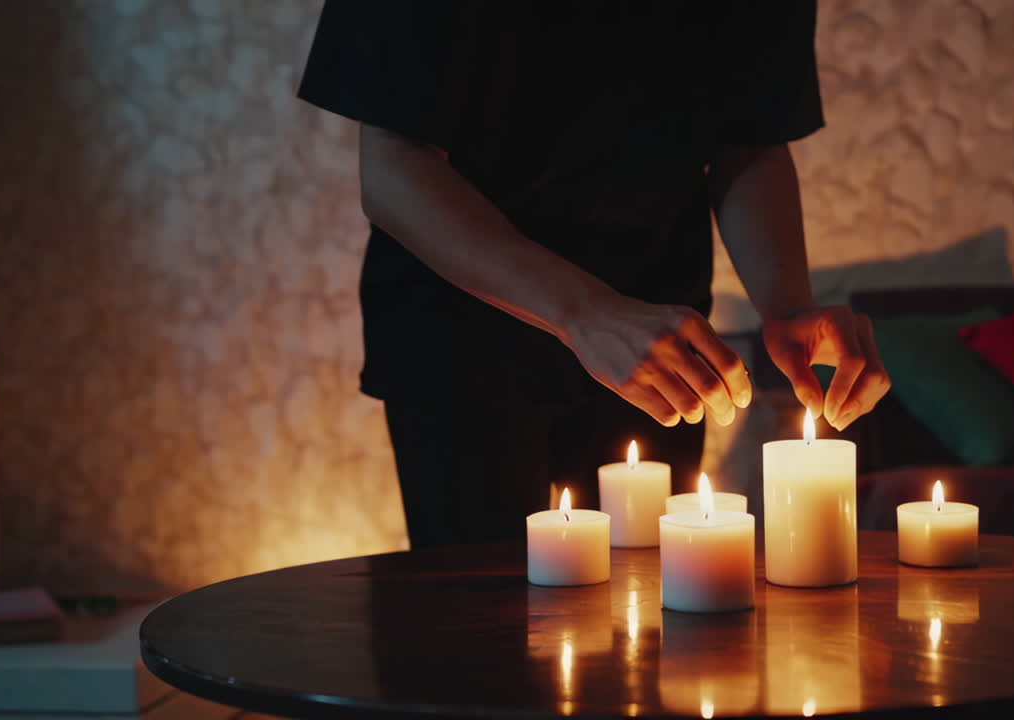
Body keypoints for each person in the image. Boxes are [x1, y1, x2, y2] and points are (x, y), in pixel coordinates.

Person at [298, 1, 890, 549]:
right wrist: (584, 312)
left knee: (650, 620)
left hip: (660, 341)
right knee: (479, 635)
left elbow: (750, 144)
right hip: (461, 334)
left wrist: (787, 307)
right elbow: (394, 168)